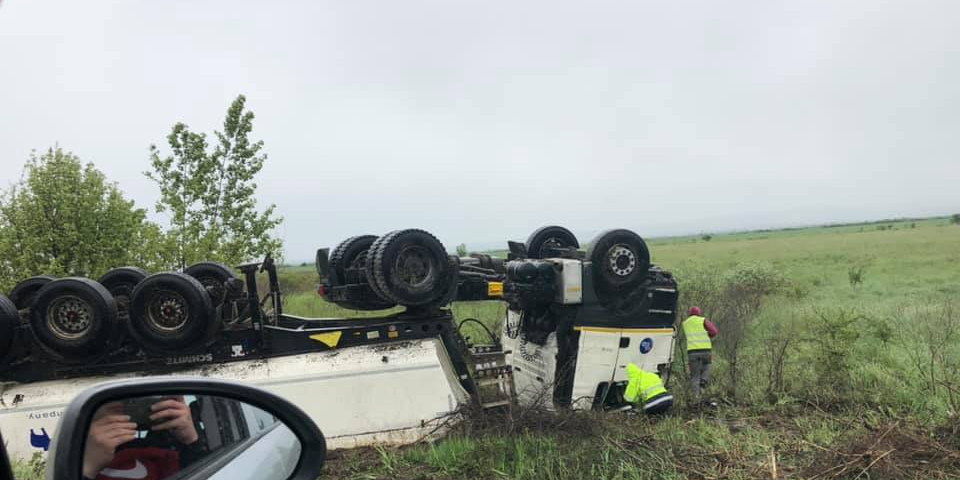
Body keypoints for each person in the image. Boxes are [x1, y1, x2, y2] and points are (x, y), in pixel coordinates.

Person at [83, 396, 204, 480]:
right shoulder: (79, 450)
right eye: (116, 395)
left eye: (141, 399)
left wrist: (191, 441)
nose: (128, 403)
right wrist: (88, 467)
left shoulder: (169, 452)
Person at [683, 306, 718, 403]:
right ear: (699, 313)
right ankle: (703, 382)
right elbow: (714, 331)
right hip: (706, 350)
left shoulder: (685, 323)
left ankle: (696, 398)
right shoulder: (702, 320)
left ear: (690, 314)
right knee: (707, 366)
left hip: (692, 352)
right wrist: (709, 335)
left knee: (695, 375)